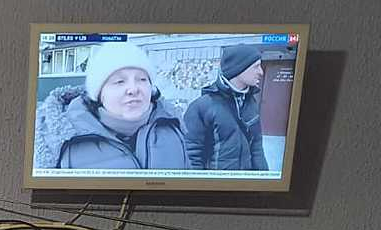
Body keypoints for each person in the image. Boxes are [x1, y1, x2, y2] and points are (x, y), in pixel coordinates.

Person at [34, 42, 189, 171]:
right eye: (120, 81)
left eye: (142, 79)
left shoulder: (172, 126)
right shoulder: (61, 140)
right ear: (99, 94)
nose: (133, 89)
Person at [182, 45, 268, 171]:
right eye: (256, 66)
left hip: (246, 181)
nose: (261, 72)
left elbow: (257, 147)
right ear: (239, 68)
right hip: (216, 182)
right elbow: (191, 155)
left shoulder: (251, 103)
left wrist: (264, 177)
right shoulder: (201, 106)